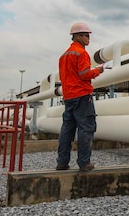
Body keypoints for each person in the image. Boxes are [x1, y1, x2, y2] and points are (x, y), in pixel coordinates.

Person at [56, 22, 104, 171]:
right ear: (77, 36)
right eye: (86, 35)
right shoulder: (81, 53)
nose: (89, 38)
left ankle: (62, 162)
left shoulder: (64, 56)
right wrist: (98, 71)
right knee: (86, 128)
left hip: (69, 96)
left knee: (67, 129)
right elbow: (84, 74)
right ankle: (84, 163)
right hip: (82, 96)